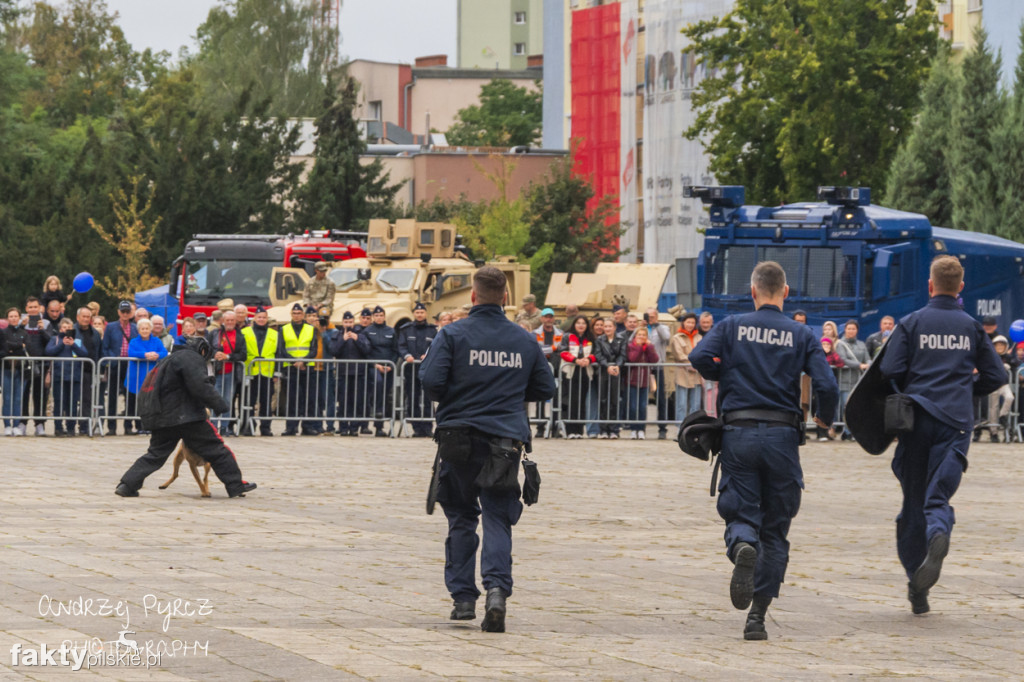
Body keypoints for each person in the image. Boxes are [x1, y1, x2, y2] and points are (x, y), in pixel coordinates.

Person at [689, 261, 838, 641]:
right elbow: (827, 383)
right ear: (785, 292)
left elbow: (698, 358)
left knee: (740, 508)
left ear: (752, 292)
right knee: (776, 528)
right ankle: (757, 616)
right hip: (783, 438)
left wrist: (729, 371)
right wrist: (825, 417)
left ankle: (741, 544)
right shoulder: (802, 333)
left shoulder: (732, 326)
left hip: (739, 432)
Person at [419, 265, 555, 633]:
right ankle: (496, 591)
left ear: (473, 296)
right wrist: (509, 394)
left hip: (458, 440)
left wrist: (456, 393)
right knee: (497, 516)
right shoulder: (523, 339)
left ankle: (463, 599)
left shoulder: (452, 333)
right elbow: (546, 389)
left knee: (462, 516)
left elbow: (430, 381)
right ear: (506, 298)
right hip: (504, 443)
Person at [879, 255, 1005, 615]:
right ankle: (939, 532)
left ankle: (915, 586)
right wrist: (967, 388)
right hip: (956, 421)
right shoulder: (971, 327)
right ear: (960, 287)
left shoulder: (912, 322)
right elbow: (997, 377)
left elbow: (889, 368)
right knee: (938, 496)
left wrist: (913, 387)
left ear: (930, 285)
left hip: (915, 418)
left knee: (912, 501)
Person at [114, 336, 257, 499]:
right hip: (185, 416)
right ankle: (236, 485)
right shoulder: (190, 357)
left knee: (155, 454)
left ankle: (127, 485)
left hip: (161, 415)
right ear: (202, 350)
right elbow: (199, 384)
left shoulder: (168, 360)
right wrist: (220, 404)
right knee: (217, 449)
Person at [277, 303, 318, 436]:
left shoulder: (311, 329)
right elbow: (282, 349)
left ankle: (307, 427)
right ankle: (291, 427)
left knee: (308, 399)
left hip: (307, 368)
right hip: (291, 368)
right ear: (291, 314)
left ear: (303, 315)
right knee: (291, 399)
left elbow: (313, 349)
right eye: (294, 313)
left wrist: (303, 361)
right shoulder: (284, 329)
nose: (297, 316)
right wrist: (294, 361)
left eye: (299, 313)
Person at [329, 311, 370, 436]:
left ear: (354, 322)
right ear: (342, 323)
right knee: (343, 402)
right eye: (346, 322)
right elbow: (333, 350)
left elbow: (367, 350)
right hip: (343, 373)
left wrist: (357, 340)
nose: (348, 324)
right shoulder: (337, 335)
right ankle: (343, 427)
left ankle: (354, 428)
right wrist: (342, 340)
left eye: (350, 322)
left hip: (358, 374)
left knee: (356, 402)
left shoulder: (361, 335)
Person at [399, 302, 437, 437]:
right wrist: (407, 356)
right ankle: (416, 427)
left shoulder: (433, 330)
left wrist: (429, 354)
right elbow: (401, 346)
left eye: (422, 312)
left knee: (428, 398)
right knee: (413, 397)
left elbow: (436, 346)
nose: (419, 315)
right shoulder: (406, 329)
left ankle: (428, 427)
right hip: (411, 369)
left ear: (425, 313)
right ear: (414, 314)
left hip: (427, 369)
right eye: (417, 312)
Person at [125, 318, 169, 434]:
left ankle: (145, 426)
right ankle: (128, 426)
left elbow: (164, 353)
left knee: (148, 404)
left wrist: (157, 355)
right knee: (132, 403)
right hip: (136, 377)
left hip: (151, 377)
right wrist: (145, 355)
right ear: (139, 330)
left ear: (151, 329)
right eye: (142, 328)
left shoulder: (157, 341)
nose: (145, 330)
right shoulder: (134, 341)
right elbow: (131, 353)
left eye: (147, 328)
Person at [101, 301, 138, 435]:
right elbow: (105, 346)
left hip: (130, 365)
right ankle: (111, 427)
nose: (125, 314)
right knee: (112, 396)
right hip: (115, 364)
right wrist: (111, 360)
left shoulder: (135, 328)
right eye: (123, 311)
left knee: (130, 396)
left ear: (131, 313)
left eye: (127, 312)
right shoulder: (110, 327)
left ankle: (128, 426)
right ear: (118, 312)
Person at [556, 315, 597, 439]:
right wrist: (575, 360)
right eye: (578, 323)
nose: (581, 325)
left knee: (582, 402)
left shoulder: (590, 338)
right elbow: (562, 352)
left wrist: (588, 359)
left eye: (583, 323)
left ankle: (579, 430)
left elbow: (596, 353)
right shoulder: (567, 336)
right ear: (574, 324)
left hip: (585, 372)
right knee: (571, 401)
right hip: (570, 372)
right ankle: (570, 430)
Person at [45, 317, 86, 437]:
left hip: (74, 376)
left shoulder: (77, 341)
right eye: (64, 327)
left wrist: (73, 345)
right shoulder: (55, 339)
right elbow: (49, 351)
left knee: (73, 403)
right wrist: (62, 344)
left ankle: (71, 427)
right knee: (59, 402)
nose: (66, 330)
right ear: (60, 328)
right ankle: (58, 427)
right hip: (59, 376)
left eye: (69, 328)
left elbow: (84, 353)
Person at [208, 311, 246, 436]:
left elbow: (243, 355)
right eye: (227, 320)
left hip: (231, 372)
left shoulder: (240, 336)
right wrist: (215, 354)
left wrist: (228, 356)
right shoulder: (215, 333)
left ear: (235, 321)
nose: (229, 322)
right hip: (216, 372)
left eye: (232, 320)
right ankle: (212, 426)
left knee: (228, 400)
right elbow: (206, 348)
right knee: (214, 399)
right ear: (223, 321)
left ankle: (224, 427)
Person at [363, 305, 397, 437]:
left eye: (381, 315)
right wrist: (375, 364)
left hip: (388, 367)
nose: (379, 317)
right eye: (376, 315)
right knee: (378, 385)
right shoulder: (368, 331)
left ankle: (379, 427)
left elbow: (395, 350)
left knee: (385, 395)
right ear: (373, 317)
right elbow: (366, 351)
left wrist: (391, 365)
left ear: (384, 316)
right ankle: (374, 414)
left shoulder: (391, 331)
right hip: (374, 367)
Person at [20, 297, 51, 436]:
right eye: (30, 307)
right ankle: (22, 422)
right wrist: (21, 326)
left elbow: (51, 342)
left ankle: (40, 424)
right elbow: (14, 338)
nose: (33, 309)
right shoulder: (20, 322)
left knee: (40, 396)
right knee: (23, 394)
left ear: (40, 308)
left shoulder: (46, 323)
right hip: (24, 365)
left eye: (35, 307)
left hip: (41, 364)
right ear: (26, 309)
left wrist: (42, 330)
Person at [835, 320, 869, 439]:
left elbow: (867, 358)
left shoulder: (861, 344)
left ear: (857, 330)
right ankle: (848, 432)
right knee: (846, 407)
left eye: (853, 329)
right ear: (845, 330)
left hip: (858, 381)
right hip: (845, 380)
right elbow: (843, 359)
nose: (851, 331)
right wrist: (859, 365)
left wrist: (869, 364)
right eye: (849, 328)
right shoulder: (840, 344)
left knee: (857, 407)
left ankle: (854, 431)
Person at [667, 312, 702, 425]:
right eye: (688, 322)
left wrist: (695, 365)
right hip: (682, 374)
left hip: (696, 376)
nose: (690, 325)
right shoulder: (676, 337)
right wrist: (692, 364)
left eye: (692, 322)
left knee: (695, 405)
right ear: (683, 323)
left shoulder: (699, 337)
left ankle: (692, 427)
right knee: (681, 404)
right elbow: (679, 355)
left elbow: (701, 353)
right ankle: (680, 427)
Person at [624, 326, 658, 439]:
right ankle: (634, 429)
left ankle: (641, 429)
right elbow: (632, 359)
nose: (641, 337)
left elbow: (654, 360)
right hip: (632, 380)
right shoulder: (631, 346)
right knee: (633, 406)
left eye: (644, 335)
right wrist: (639, 347)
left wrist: (650, 347)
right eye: (639, 335)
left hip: (644, 381)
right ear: (635, 336)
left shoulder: (648, 347)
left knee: (642, 406)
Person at [645, 307, 672, 439]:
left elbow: (667, 338)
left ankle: (662, 428)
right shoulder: (642, 328)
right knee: (641, 397)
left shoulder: (662, 327)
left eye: (652, 316)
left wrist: (656, 324)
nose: (649, 318)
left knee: (660, 398)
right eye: (647, 316)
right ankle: (639, 427)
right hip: (643, 367)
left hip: (658, 366)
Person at [1, 307, 28, 436]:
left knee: (18, 398)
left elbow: (25, 348)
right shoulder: (2, 332)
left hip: (21, 370)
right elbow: (4, 349)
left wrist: (13, 347)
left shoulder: (24, 332)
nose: (13, 318)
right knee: (7, 398)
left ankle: (16, 425)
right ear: (7, 318)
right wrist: (17, 346)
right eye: (11, 316)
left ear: (19, 318)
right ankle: (7, 425)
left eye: (15, 316)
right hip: (6, 369)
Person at [698, 311, 718, 416]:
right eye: (703, 322)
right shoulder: (696, 334)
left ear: (712, 322)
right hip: (696, 371)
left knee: (712, 397)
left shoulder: (716, 334)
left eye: (707, 322)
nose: (705, 325)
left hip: (709, 370)